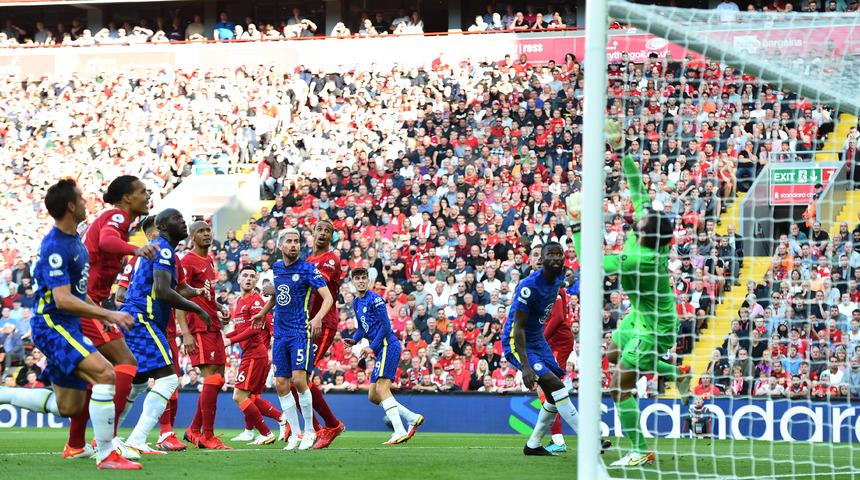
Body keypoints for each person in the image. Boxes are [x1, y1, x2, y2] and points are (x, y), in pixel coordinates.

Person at [0, 179, 141, 469]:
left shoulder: (75, 240)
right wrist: (109, 315)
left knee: (68, 407)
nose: (87, 200)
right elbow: (63, 299)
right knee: (105, 373)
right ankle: (106, 455)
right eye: (80, 196)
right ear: (70, 206)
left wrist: (96, 309)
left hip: (69, 324)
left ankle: (4, 395)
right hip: (52, 324)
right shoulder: (55, 246)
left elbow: (78, 292)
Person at [570, 155, 691, 467]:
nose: (637, 217)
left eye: (641, 221)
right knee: (611, 355)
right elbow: (638, 189)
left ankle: (640, 449)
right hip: (639, 315)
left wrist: (577, 223)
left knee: (617, 389)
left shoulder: (643, 259)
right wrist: (622, 150)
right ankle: (675, 373)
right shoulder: (650, 234)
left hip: (655, 329)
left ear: (646, 235)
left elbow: (591, 264)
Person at [68, 175, 156, 460]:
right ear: (127, 198)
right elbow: (106, 242)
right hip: (84, 303)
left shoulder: (119, 221)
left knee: (95, 376)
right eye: (143, 191)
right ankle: (108, 439)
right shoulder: (116, 216)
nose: (147, 195)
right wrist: (136, 249)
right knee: (126, 362)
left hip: (87, 302)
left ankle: (76, 445)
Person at [501, 242, 610, 456]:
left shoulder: (559, 277)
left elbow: (568, 279)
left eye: (559, 254)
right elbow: (519, 328)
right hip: (518, 340)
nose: (556, 258)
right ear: (541, 260)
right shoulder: (528, 287)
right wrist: (525, 367)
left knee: (553, 396)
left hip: (538, 339)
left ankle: (533, 445)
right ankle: (590, 442)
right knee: (555, 384)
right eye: (550, 254)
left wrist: (573, 278)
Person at [120, 208, 212, 454]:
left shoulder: (164, 251)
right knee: (169, 379)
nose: (182, 222)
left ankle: (107, 438)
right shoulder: (162, 249)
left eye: (183, 218)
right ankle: (137, 439)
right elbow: (162, 290)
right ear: (161, 227)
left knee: (138, 382)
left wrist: (199, 294)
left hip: (137, 317)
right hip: (144, 318)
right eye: (176, 219)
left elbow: (176, 287)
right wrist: (198, 310)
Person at [251, 228, 333, 451]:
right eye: (289, 241)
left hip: (300, 333)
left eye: (296, 241)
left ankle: (310, 431)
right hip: (280, 334)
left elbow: (328, 297)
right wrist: (263, 312)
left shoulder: (307, 269)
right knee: (280, 384)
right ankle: (296, 433)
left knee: (299, 380)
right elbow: (280, 296)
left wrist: (317, 318)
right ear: (280, 246)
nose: (294, 245)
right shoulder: (277, 268)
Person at [344, 268, 424, 444]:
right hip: (380, 348)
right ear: (353, 282)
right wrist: (354, 340)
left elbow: (386, 326)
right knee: (373, 395)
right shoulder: (357, 302)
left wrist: (371, 347)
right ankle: (411, 417)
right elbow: (362, 328)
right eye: (357, 278)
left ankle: (399, 430)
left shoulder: (376, 299)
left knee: (381, 389)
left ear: (369, 280)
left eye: (364, 278)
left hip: (388, 345)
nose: (361, 281)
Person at [181, 221, 232, 450]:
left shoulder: (209, 260)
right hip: (198, 326)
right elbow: (178, 296)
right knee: (211, 377)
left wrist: (219, 307)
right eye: (200, 231)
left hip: (213, 323)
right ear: (192, 236)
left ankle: (193, 430)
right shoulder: (187, 261)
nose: (206, 234)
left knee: (219, 377)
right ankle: (207, 436)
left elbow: (206, 294)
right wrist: (186, 333)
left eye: (208, 230)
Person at [225, 266, 283, 445]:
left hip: (255, 354)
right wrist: (225, 337)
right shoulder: (239, 302)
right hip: (249, 354)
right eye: (245, 276)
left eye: (252, 276)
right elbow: (239, 329)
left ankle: (265, 432)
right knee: (250, 397)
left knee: (239, 396)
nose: (249, 279)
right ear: (239, 280)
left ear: (257, 280)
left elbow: (254, 328)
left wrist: (229, 341)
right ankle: (274, 422)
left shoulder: (256, 300)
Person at [302, 220, 346, 448]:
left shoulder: (331, 259)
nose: (323, 233)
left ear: (331, 237)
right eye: (319, 229)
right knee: (293, 381)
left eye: (327, 231)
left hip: (323, 323)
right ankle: (318, 429)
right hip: (306, 323)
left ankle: (331, 425)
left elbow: (316, 283)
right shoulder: (308, 261)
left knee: (303, 377)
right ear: (313, 232)